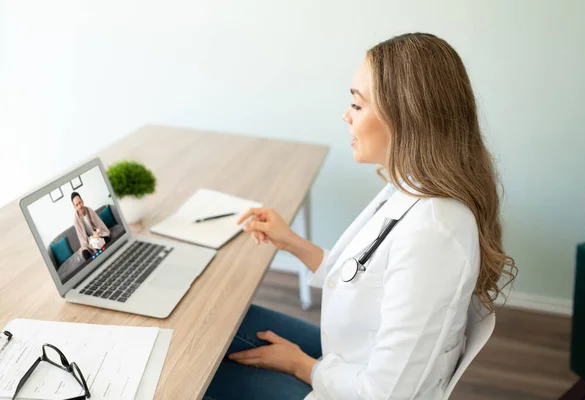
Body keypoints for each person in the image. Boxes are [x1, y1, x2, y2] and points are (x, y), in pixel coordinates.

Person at [204, 33, 516, 400]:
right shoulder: (413, 187)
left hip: (360, 389)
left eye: (357, 104)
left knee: (197, 375)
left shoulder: (433, 232)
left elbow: (385, 393)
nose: (346, 115)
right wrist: (292, 242)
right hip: (351, 361)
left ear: (406, 116)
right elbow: (363, 278)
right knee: (224, 324)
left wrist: (300, 365)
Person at [71, 192, 111, 260]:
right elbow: (82, 238)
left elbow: (99, 225)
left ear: (82, 201)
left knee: (107, 239)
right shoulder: (76, 220)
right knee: (85, 254)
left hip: (97, 235)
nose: (79, 206)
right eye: (77, 205)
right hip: (87, 241)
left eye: (80, 203)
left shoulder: (89, 210)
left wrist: (97, 234)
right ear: (74, 207)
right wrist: (91, 239)